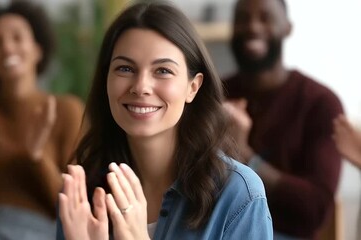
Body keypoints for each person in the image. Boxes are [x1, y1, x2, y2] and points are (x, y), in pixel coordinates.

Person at [56, 2, 273, 240]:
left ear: (193, 87)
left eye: (162, 71)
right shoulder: (83, 191)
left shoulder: (239, 194)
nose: (140, 87)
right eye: (125, 68)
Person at [0, 1, 84, 240]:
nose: (7, 48)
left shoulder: (67, 111)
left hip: (43, 230)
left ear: (38, 49)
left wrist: (38, 157)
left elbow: (74, 210)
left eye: (17, 38)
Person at [223, 0, 344, 239]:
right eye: (243, 18)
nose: (253, 27)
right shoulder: (214, 94)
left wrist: (245, 156)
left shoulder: (320, 103)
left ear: (287, 27)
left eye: (265, 18)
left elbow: (317, 208)